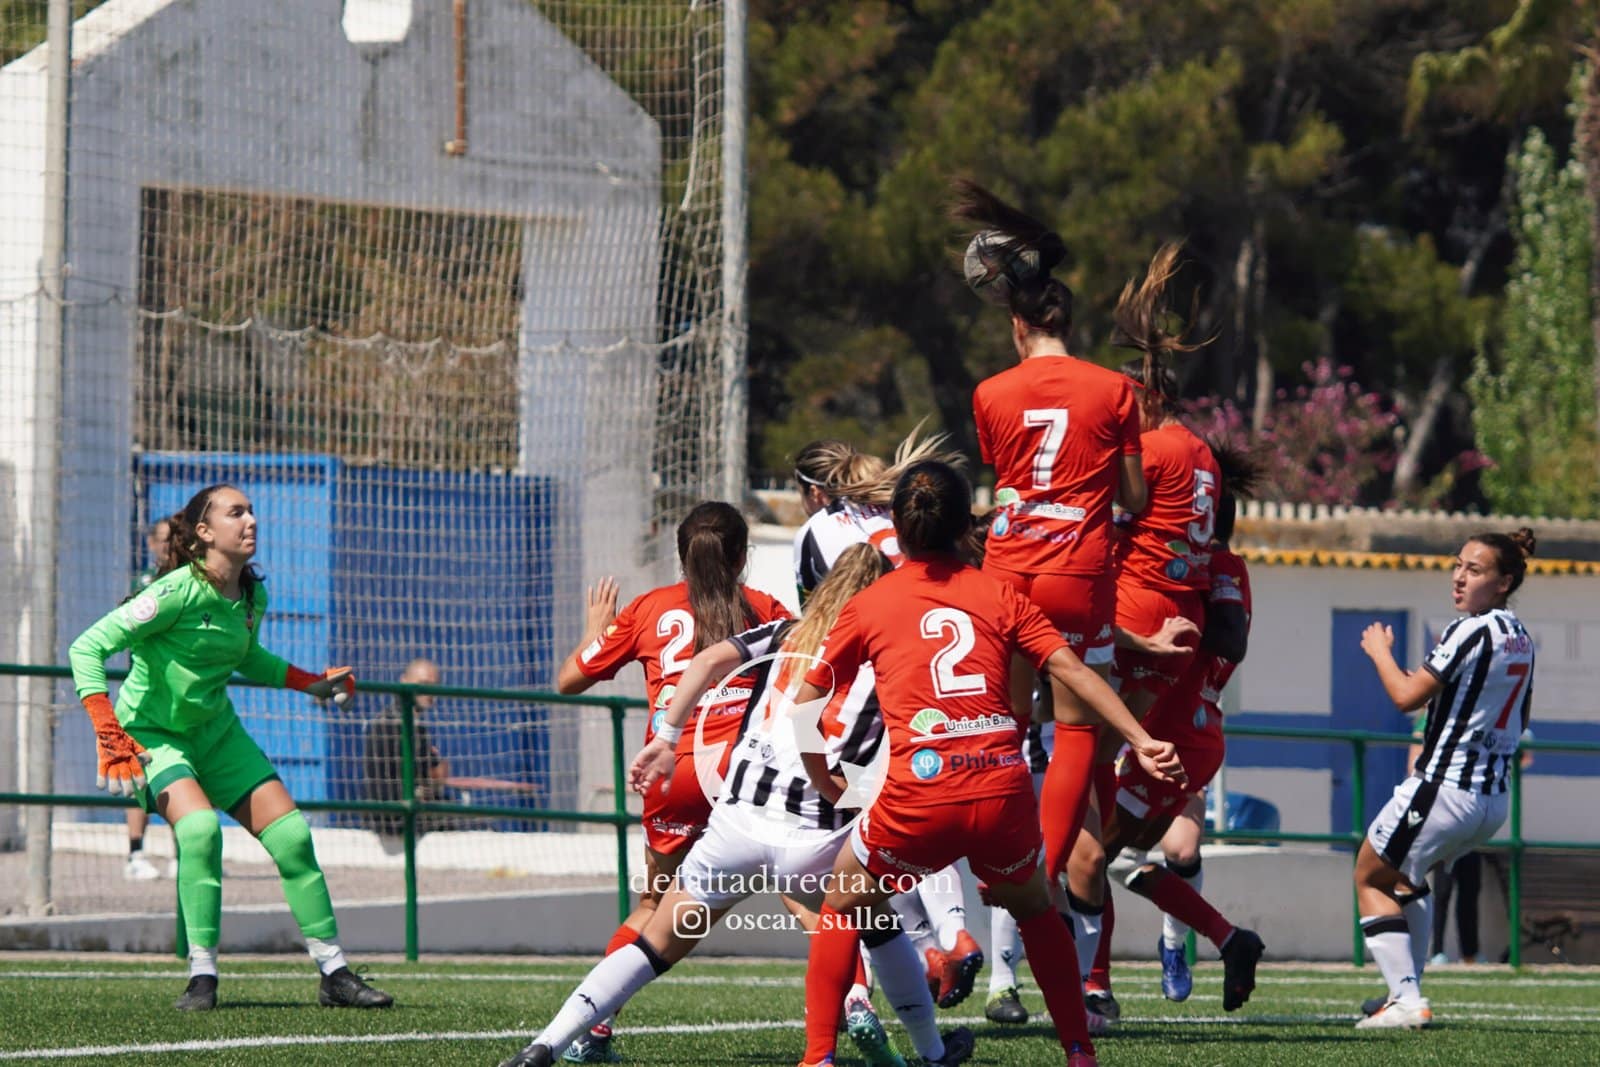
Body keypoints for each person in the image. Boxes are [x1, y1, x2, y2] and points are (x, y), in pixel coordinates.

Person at [497, 544, 974, 1067]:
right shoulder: (888, 653)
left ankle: (546, 1044)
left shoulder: (789, 633)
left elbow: (705, 662)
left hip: (736, 823)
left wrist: (666, 737)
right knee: (878, 923)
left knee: (652, 945)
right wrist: (856, 793)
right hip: (814, 834)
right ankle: (926, 1049)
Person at [790, 460, 1183, 1067]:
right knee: (1034, 909)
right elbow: (1072, 670)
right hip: (1000, 791)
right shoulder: (999, 593)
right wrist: (1141, 738)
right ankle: (1079, 1052)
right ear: (962, 528)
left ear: (897, 525)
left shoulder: (871, 604)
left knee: (841, 902)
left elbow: (804, 706)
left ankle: (818, 1058)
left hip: (919, 796)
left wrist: (827, 779)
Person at [68, 483, 391, 1011]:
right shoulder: (173, 592)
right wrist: (108, 729)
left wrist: (311, 681)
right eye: (235, 512)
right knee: (198, 831)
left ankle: (335, 973)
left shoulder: (251, 595)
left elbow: (248, 657)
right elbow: (87, 647)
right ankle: (202, 976)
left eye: (252, 510)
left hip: (218, 734)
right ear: (203, 532)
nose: (250, 521)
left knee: (292, 837)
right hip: (153, 735)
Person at [552, 501, 790, 1063]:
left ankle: (595, 1028)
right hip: (741, 769)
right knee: (816, 894)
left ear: (682, 557)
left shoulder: (650, 609)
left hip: (673, 770)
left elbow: (569, 680)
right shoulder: (766, 609)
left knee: (655, 902)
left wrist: (594, 632)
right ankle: (857, 1002)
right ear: (741, 557)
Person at [1063, 244, 1224, 1012]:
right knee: (1099, 816)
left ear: (1143, 397)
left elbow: (1103, 512)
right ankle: (1112, 963)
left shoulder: (1151, 449)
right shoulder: (1199, 453)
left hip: (1139, 611)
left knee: (1073, 804)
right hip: (1179, 615)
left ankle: (1088, 983)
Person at [790, 428, 987, 1010]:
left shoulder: (819, 531)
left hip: (863, 688)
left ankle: (889, 971)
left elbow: (815, 622)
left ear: (813, 491)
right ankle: (942, 940)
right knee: (908, 818)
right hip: (932, 681)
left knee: (867, 832)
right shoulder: (906, 514)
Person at [1090, 440, 1268, 1015]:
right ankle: (1224, 939)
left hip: (1177, 737)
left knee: (1094, 856)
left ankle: (1093, 988)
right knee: (1110, 859)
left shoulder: (1216, 567)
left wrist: (1175, 611)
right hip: (1178, 734)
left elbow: (1231, 640)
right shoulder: (1197, 569)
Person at [1353, 528, 1538, 1030]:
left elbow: (1406, 697)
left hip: (1444, 787)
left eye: (1474, 570)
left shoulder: (1469, 630)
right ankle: (1401, 991)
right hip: (1492, 800)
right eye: (1458, 565)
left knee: (1369, 876)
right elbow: (1518, 721)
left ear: (1503, 582)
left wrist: (1379, 653)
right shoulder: (1519, 635)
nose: (1459, 577)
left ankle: (1407, 1000)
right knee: (1407, 880)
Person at [124, 515, 176, 881]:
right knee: (139, 777)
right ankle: (136, 853)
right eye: (163, 541)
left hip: (176, 700)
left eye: (175, 540)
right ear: (151, 545)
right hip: (145, 699)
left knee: (182, 775)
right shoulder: (144, 584)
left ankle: (181, 853)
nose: (169, 547)